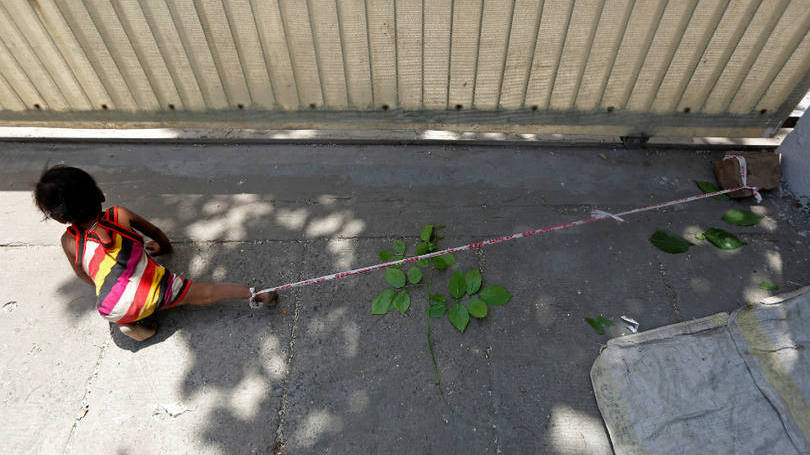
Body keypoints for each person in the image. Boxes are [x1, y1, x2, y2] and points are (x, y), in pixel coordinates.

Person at [34, 165, 276, 342]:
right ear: (99, 192)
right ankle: (256, 294)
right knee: (207, 293)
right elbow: (156, 233)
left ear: (58, 218)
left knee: (132, 320)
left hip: (113, 308)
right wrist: (164, 247)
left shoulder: (68, 242)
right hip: (158, 290)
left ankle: (137, 329)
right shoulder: (119, 215)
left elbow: (85, 276)